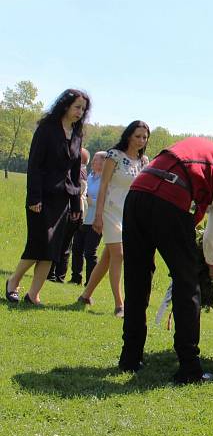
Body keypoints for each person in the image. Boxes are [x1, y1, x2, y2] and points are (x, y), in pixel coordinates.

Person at [118, 135, 213, 383]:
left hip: (136, 194)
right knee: (188, 285)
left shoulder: (203, 147)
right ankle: (189, 368)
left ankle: (130, 358)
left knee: (136, 279)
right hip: (168, 203)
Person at [5, 89, 90, 305]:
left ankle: (34, 294)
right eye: (77, 107)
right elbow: (34, 165)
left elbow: (73, 173)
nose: (80, 112)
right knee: (38, 244)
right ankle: (13, 282)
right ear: (65, 106)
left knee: (52, 249)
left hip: (63, 200)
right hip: (41, 197)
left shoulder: (77, 134)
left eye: (83, 109)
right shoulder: (46, 129)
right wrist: (34, 198)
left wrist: (75, 204)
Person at [78, 121, 150, 316]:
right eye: (137, 136)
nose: (141, 140)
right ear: (128, 136)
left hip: (130, 213)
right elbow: (103, 186)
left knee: (108, 257)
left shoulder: (144, 161)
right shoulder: (114, 156)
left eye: (144, 137)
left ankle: (85, 295)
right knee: (119, 254)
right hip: (110, 210)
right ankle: (120, 304)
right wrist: (98, 215)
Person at [48, 147, 90, 283]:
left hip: (73, 211)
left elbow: (76, 193)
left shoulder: (79, 173)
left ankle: (55, 274)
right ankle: (57, 274)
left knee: (61, 243)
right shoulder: (82, 172)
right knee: (64, 244)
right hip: (76, 211)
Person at [70, 150, 106, 284]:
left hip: (96, 221)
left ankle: (90, 282)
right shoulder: (89, 177)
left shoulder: (106, 181)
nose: (93, 161)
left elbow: (107, 200)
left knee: (90, 252)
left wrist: (92, 201)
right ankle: (75, 278)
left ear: (104, 162)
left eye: (96, 159)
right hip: (83, 218)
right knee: (77, 249)